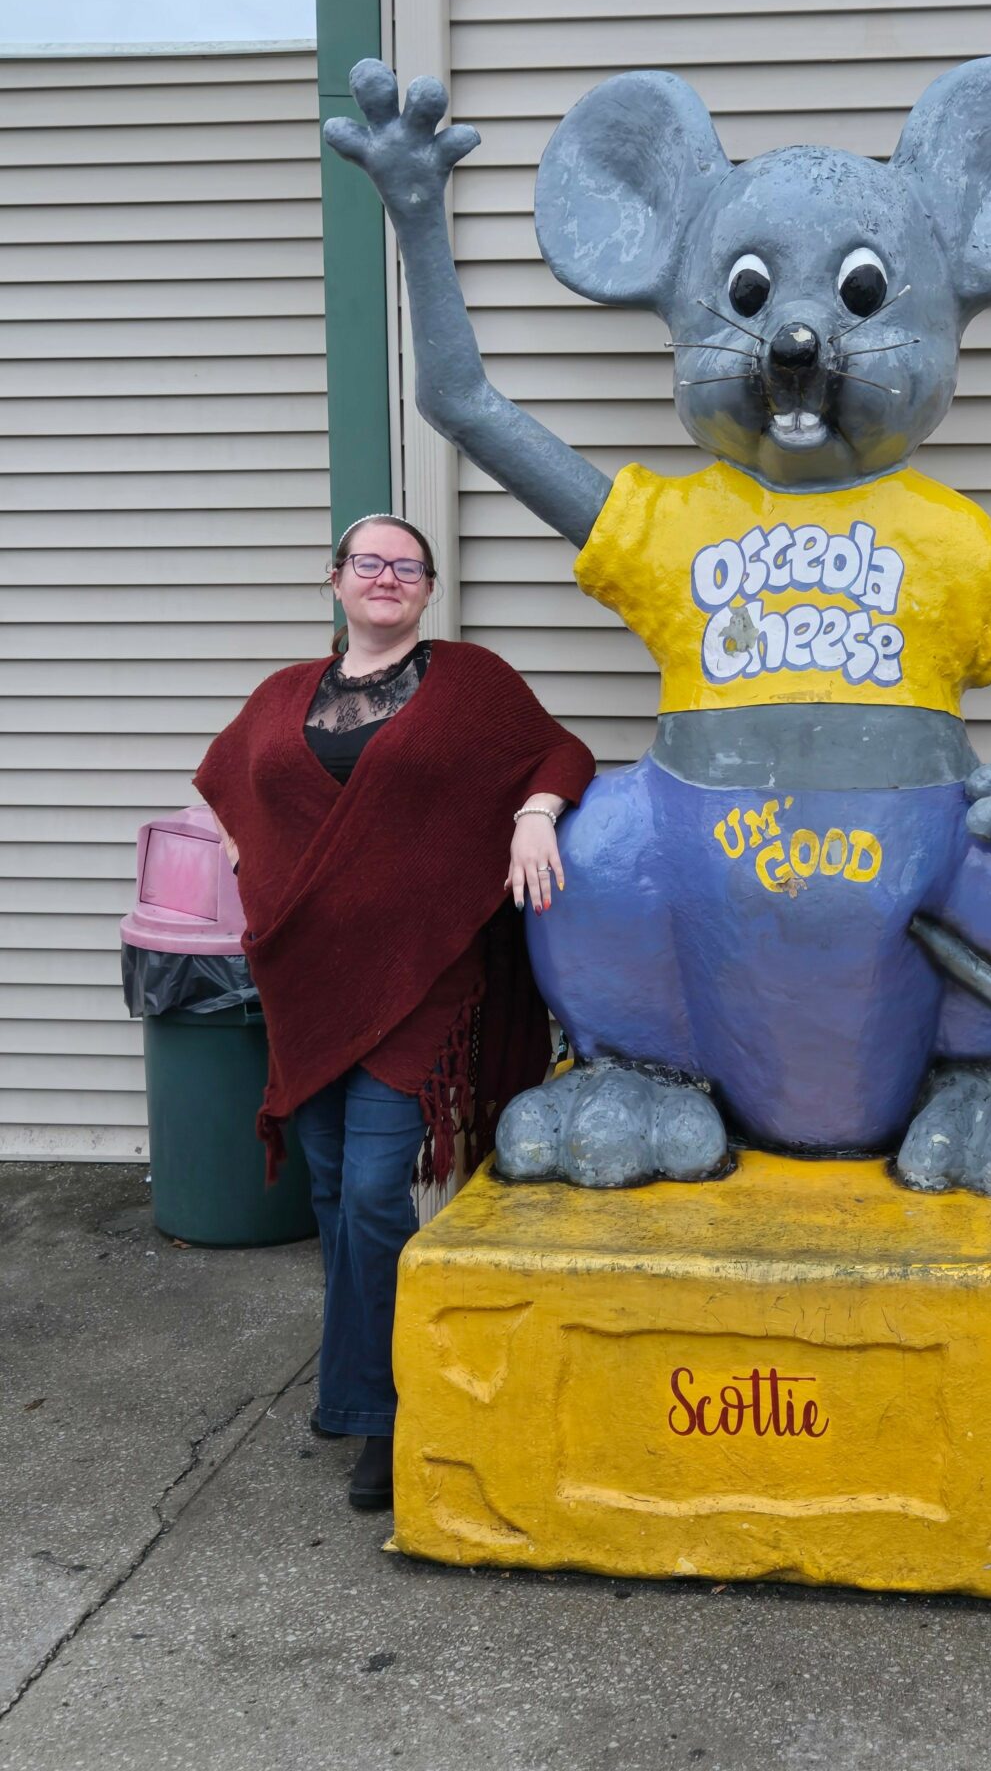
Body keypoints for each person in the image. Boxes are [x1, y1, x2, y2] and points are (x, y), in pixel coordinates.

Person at [195, 514, 594, 1511]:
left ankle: (380, 1412)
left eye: (406, 566)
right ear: (335, 580)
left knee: (377, 1190)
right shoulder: (283, 694)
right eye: (368, 562)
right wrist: (248, 863)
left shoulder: (470, 684)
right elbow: (224, 782)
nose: (386, 577)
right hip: (307, 981)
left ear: (428, 589)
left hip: (420, 979)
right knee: (331, 1189)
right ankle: (353, 1383)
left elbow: (560, 752)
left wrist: (534, 815)